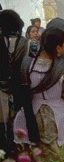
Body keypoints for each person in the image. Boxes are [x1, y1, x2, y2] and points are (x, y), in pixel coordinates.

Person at [14, 27, 64, 157]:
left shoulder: (26, 64)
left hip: (29, 116)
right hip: (58, 118)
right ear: (58, 47)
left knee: (36, 158)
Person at [0, 9, 33, 154]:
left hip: (1, 87)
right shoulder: (26, 43)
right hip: (21, 87)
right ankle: (22, 147)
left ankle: (7, 150)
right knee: (21, 118)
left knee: (3, 121)